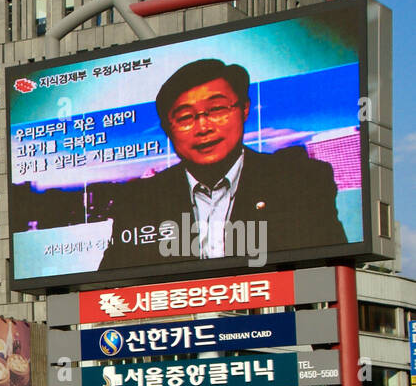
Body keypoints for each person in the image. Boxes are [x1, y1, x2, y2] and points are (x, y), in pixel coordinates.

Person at [99, 58, 346, 271]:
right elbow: (108, 286)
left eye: (217, 109)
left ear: (244, 109)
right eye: (185, 117)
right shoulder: (139, 199)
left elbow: (333, 270)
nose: (203, 127)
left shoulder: (302, 182)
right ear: (167, 129)